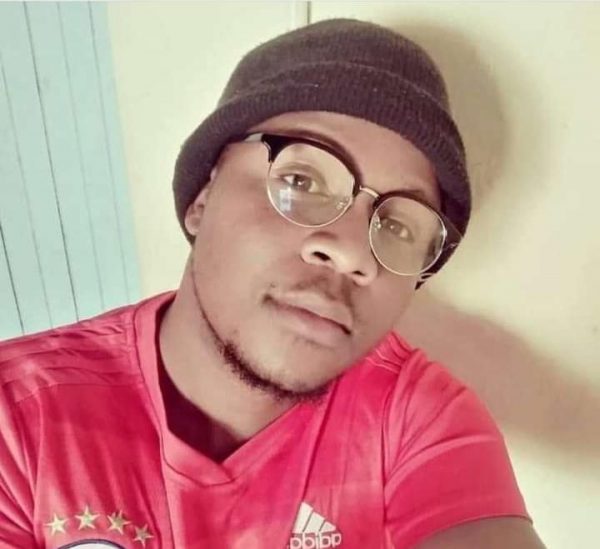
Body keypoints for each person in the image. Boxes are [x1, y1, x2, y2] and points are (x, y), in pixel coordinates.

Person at [0, 18, 544, 549]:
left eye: (399, 226)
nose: (352, 253)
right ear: (202, 199)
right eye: (301, 180)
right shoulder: (19, 416)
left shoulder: (418, 420)